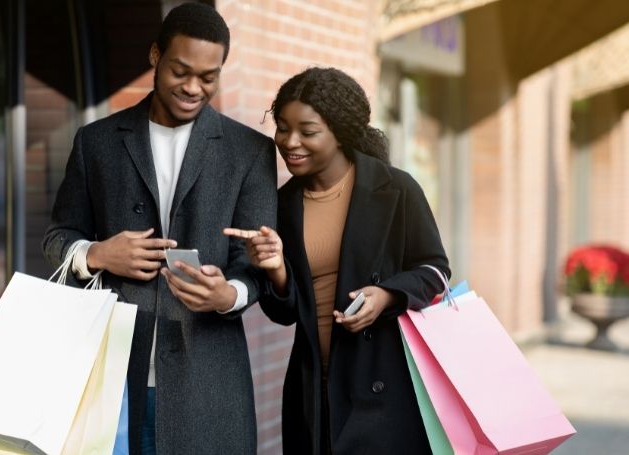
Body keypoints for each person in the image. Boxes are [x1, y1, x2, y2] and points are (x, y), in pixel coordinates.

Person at [42, 3, 277, 453]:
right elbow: (57, 238)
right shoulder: (95, 142)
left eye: (208, 77)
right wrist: (96, 254)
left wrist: (229, 295)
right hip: (110, 382)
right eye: (180, 71)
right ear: (155, 56)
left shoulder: (250, 152)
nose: (193, 87)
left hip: (208, 389)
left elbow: (256, 268)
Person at [225, 67, 450, 454]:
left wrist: (386, 296)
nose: (290, 142)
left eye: (308, 132)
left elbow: (435, 271)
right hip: (314, 387)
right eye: (282, 127)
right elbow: (286, 313)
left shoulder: (395, 189)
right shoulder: (282, 204)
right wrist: (277, 270)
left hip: (385, 386)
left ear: (339, 133)